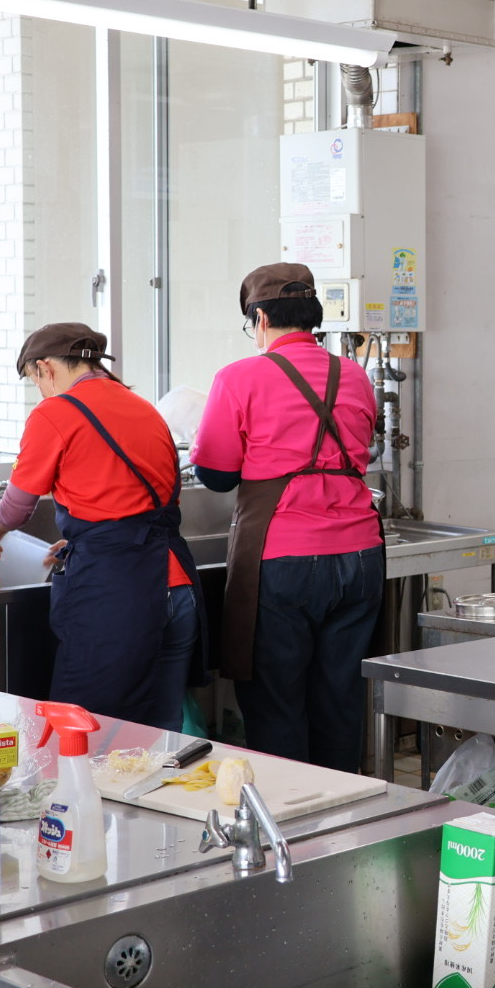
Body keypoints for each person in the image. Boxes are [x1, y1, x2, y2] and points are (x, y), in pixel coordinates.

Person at [191, 264, 384, 774]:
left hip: (283, 559)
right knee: (340, 697)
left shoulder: (239, 378)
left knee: (276, 699)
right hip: (360, 555)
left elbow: (215, 475)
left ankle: (287, 811)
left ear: (260, 318)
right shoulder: (355, 375)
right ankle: (342, 809)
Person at [0, 323, 204, 731]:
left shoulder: (55, 413)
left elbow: (16, 508)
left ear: (46, 368)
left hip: (117, 596)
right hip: (178, 587)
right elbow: (143, 503)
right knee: (160, 738)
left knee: (86, 733)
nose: (40, 391)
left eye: (34, 380)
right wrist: (87, 538)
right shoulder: (144, 408)